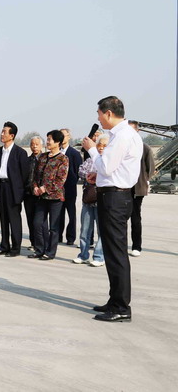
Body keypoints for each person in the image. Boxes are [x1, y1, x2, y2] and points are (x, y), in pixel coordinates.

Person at [81, 96, 143, 322]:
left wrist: (92, 150)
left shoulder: (123, 136)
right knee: (111, 251)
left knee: (116, 253)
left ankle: (121, 307)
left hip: (115, 199)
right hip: (114, 195)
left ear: (108, 113)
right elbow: (113, 169)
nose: (98, 119)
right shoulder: (122, 135)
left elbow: (107, 166)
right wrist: (97, 175)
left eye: (99, 114)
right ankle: (115, 299)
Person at [30, 130, 69, 260]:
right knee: (37, 223)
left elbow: (60, 180)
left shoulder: (63, 159)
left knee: (53, 227)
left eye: (49, 140)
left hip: (55, 198)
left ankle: (50, 252)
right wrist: (35, 187)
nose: (47, 142)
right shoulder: (42, 157)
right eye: (47, 139)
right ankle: (39, 249)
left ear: (57, 142)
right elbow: (35, 175)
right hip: (41, 197)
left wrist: (45, 188)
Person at [0, 122, 30, 257]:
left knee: (14, 220)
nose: (2, 134)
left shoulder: (20, 153)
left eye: (4, 132)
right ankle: (4, 246)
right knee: (3, 219)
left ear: (12, 136)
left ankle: (15, 248)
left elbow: (24, 175)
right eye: (2, 131)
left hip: (13, 189)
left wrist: (20, 191)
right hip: (1, 187)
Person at [74, 134, 108, 267]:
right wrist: (88, 176)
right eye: (99, 145)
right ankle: (83, 255)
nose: (101, 148)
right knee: (85, 229)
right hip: (88, 199)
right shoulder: (91, 159)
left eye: (104, 145)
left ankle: (99, 256)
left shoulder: (108, 161)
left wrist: (97, 176)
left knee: (101, 230)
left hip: (102, 200)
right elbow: (81, 170)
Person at [128, 121, 155, 257]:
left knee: (135, 217)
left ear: (137, 131)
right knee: (120, 219)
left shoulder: (145, 148)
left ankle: (136, 246)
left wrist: (144, 181)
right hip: (123, 187)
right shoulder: (122, 147)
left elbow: (151, 169)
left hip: (137, 189)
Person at [59, 128, 83, 245]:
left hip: (69, 188)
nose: (62, 137)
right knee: (58, 214)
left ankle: (70, 237)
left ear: (69, 137)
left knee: (71, 214)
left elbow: (78, 170)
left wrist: (72, 181)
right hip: (57, 189)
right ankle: (57, 236)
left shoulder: (74, 153)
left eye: (64, 135)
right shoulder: (56, 152)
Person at [23, 136, 44, 249]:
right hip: (28, 194)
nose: (34, 146)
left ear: (41, 146)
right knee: (30, 219)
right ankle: (33, 243)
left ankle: (41, 243)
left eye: (37, 144)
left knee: (39, 221)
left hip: (40, 195)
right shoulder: (27, 160)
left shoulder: (45, 159)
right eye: (32, 144)